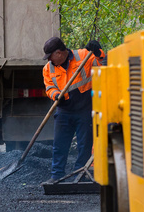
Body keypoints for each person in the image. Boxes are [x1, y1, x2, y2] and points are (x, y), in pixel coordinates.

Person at [41, 36, 105, 184]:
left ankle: (80, 174)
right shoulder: (48, 68)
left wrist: (98, 52)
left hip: (85, 108)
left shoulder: (83, 56)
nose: (49, 60)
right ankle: (56, 176)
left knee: (85, 144)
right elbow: (49, 87)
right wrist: (56, 95)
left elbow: (101, 64)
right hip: (64, 110)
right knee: (59, 144)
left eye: (50, 56)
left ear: (59, 53)